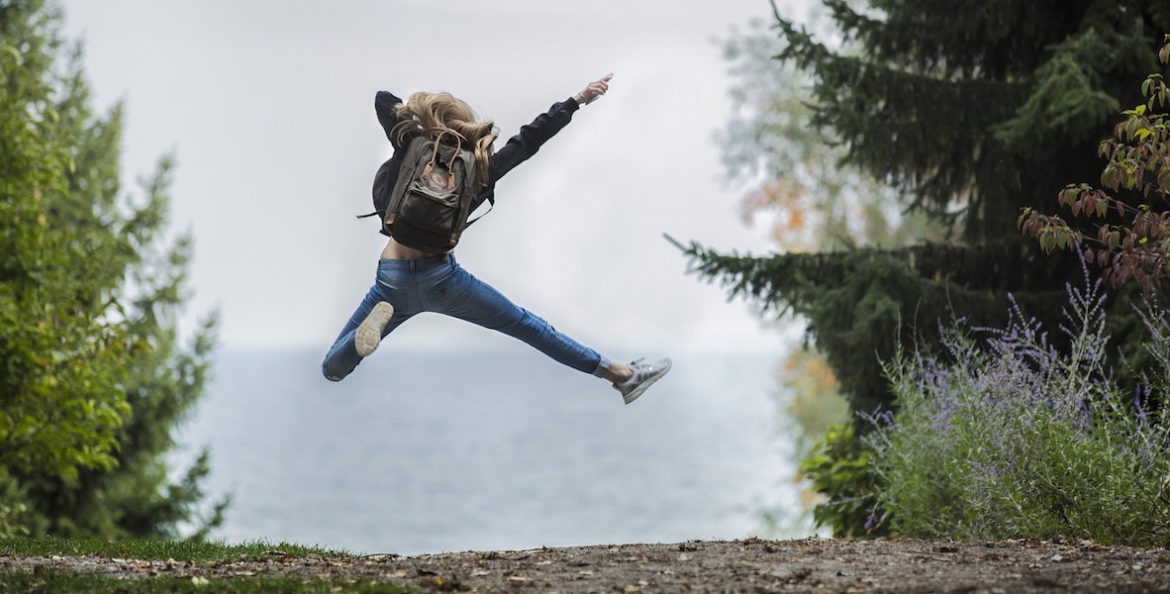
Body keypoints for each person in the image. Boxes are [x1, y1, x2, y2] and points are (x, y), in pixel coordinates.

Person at [321, 74, 671, 405]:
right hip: (443, 280)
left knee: (332, 369)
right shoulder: (479, 168)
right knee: (529, 327)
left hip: (392, 279)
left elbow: (383, 100)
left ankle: (359, 343)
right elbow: (528, 141)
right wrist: (576, 100)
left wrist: (421, 120)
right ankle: (622, 376)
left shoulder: (411, 145)